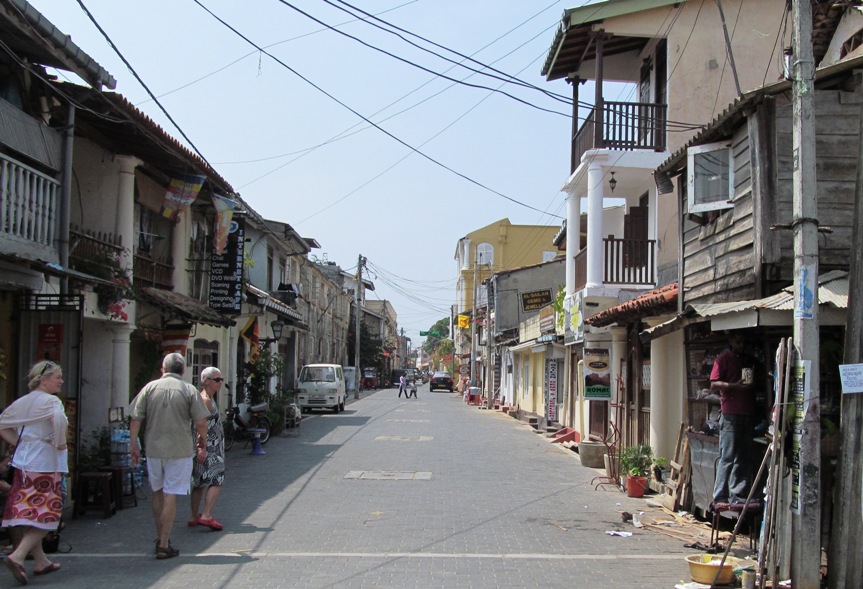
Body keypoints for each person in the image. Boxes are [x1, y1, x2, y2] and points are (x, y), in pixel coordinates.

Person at [129, 353, 209, 560]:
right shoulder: (188, 389)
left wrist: (133, 445)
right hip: (180, 449)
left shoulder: (149, 388)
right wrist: (203, 441)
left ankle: (159, 537)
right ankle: (165, 543)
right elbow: (201, 421)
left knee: (157, 491)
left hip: (154, 447)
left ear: (163, 369)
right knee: (171, 493)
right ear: (182, 371)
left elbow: (135, 418)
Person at [0, 360, 68, 585]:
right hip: (46, 463)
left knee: (30, 511)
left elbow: (3, 424)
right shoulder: (52, 402)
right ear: (44, 379)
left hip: (25, 464)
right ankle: (18, 555)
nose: (61, 380)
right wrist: (59, 442)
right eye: (57, 377)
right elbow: (58, 420)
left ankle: (41, 560)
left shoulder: (23, 402)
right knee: (49, 513)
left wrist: (20, 444)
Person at [710, 333, 757, 507]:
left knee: (743, 456)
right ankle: (720, 495)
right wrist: (733, 386)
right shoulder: (723, 359)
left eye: (743, 342)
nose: (741, 345)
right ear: (731, 341)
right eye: (738, 341)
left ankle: (738, 493)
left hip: (747, 412)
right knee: (727, 456)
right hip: (730, 413)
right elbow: (713, 384)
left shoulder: (746, 360)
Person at [188, 366, 226, 532]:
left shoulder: (207, 398)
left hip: (206, 446)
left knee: (199, 482)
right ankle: (207, 514)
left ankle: (195, 515)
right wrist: (202, 447)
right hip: (209, 447)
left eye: (221, 379)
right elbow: (200, 425)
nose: (220, 383)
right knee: (217, 479)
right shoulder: (205, 400)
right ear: (206, 381)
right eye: (217, 380)